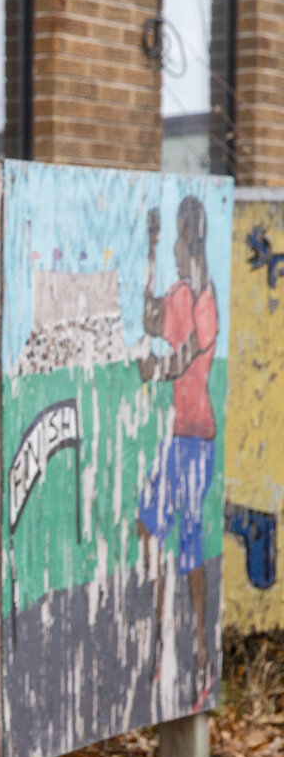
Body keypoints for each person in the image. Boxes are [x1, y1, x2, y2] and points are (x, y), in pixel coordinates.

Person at [137, 195, 219, 707]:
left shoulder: (205, 297)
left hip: (197, 438)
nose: (171, 244)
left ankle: (198, 650)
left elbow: (186, 357)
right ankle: (158, 641)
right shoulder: (181, 292)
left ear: (190, 234)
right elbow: (149, 320)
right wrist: (145, 251)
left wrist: (156, 370)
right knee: (150, 524)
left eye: (174, 236)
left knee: (188, 542)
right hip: (176, 436)